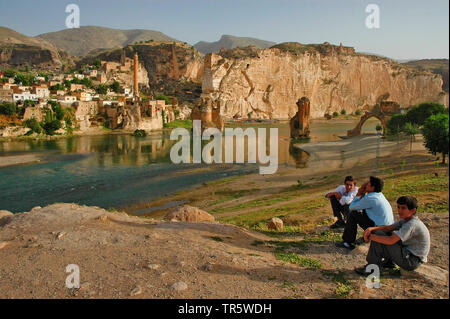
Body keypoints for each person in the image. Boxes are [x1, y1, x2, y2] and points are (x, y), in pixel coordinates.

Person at [354, 196, 430, 275]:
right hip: (407, 255)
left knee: (379, 235)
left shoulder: (411, 224)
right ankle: (389, 263)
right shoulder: (406, 220)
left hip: (411, 261)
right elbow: (388, 228)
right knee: (383, 233)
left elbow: (391, 241)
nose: (400, 210)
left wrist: (371, 237)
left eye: (403, 208)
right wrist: (371, 229)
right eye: (398, 207)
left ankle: (372, 268)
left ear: (413, 210)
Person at [336, 176, 394, 250]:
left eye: (368, 184)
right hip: (387, 229)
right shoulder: (378, 195)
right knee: (362, 211)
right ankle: (367, 235)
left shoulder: (370, 198)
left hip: (380, 231)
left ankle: (348, 242)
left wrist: (358, 194)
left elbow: (351, 207)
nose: (365, 185)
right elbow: (362, 205)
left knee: (353, 213)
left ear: (373, 188)